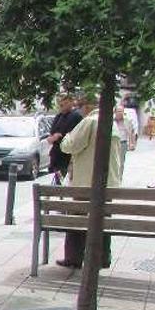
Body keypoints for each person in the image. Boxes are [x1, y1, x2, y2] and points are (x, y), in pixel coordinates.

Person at [57, 98, 122, 268]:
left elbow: (69, 146)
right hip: (109, 184)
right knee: (103, 220)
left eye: (80, 106)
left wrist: (67, 136)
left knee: (77, 220)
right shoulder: (111, 123)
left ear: (88, 106)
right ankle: (103, 258)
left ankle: (73, 258)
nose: (79, 110)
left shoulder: (89, 122)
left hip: (87, 183)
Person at [46, 94, 84, 184]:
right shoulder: (58, 117)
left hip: (68, 154)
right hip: (57, 153)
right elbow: (51, 135)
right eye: (60, 104)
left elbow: (76, 135)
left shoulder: (76, 116)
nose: (62, 105)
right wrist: (53, 138)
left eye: (65, 103)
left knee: (65, 180)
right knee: (57, 179)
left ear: (71, 103)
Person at [113, 105, 137, 175]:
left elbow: (131, 132)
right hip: (113, 143)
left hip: (123, 143)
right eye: (119, 111)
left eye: (122, 111)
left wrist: (132, 144)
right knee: (112, 161)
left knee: (121, 162)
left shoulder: (127, 120)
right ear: (115, 112)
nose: (120, 113)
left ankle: (119, 178)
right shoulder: (111, 120)